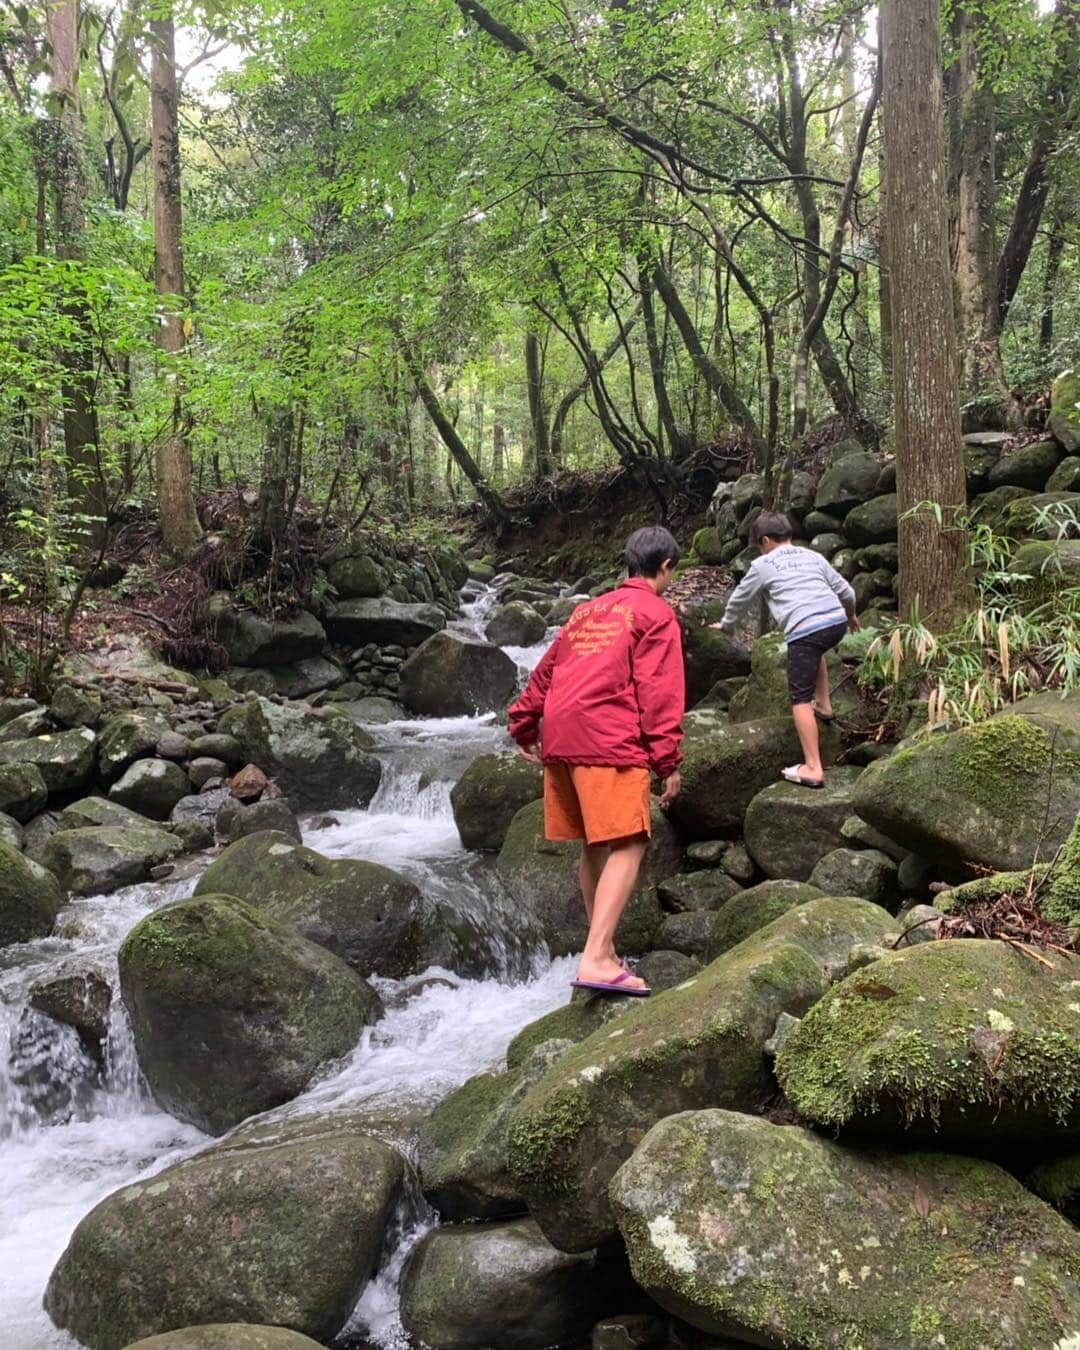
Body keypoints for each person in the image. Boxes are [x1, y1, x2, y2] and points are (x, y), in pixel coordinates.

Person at [508, 526, 685, 998]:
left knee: (594, 843)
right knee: (629, 841)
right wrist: (668, 760)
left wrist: (524, 724)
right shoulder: (656, 612)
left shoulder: (587, 611)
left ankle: (601, 950)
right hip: (608, 739)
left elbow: (546, 672)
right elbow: (659, 690)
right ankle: (597, 956)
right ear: (665, 567)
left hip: (563, 737)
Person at [711, 512, 858, 789]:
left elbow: (740, 598)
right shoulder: (812, 556)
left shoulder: (763, 564)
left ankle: (813, 767)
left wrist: (727, 626)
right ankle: (825, 706)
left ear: (765, 541)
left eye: (758, 545)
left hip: (805, 629)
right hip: (835, 622)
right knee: (817, 650)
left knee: (799, 699)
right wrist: (850, 615)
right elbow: (847, 591)